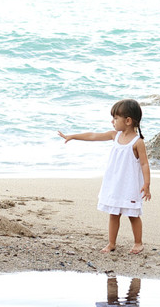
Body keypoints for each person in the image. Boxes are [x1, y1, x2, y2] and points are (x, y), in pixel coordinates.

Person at [58, 99, 151, 254]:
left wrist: (146, 184)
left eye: (115, 118)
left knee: (133, 215)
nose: (112, 121)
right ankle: (111, 243)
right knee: (113, 214)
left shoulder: (138, 142)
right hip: (114, 184)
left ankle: (138, 243)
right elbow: (93, 136)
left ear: (128, 121)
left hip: (130, 185)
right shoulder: (115, 136)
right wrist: (73, 136)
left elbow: (144, 164)